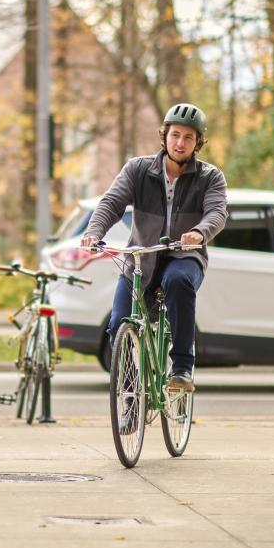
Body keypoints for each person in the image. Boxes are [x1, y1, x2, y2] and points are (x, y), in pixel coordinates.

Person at [80, 103, 227, 391]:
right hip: (141, 260)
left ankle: (182, 368)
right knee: (118, 326)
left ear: (198, 142)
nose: (180, 143)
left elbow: (217, 213)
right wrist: (93, 232)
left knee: (178, 281)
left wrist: (199, 232)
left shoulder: (210, 177)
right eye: (175, 135)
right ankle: (132, 395)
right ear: (164, 136)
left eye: (188, 137)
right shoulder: (138, 170)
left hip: (185, 256)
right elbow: (111, 203)